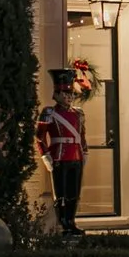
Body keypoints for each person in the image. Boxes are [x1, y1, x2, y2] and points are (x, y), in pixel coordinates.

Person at [35, 67, 88, 237]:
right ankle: (63, 223)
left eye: (71, 93)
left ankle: (71, 222)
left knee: (74, 193)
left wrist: (85, 152)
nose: (69, 97)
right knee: (61, 193)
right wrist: (45, 155)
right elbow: (39, 137)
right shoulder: (49, 113)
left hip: (76, 156)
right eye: (65, 93)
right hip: (58, 156)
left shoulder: (78, 113)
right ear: (56, 94)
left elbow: (82, 135)